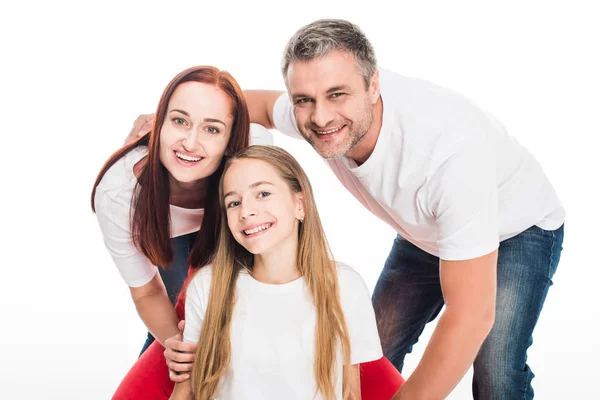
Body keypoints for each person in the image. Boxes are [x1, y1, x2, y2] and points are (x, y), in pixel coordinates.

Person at [240, 19, 565, 399]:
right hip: (428, 232)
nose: (321, 118)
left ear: (373, 86)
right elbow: (248, 104)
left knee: (496, 373)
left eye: (337, 95)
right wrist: (166, 122)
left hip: (515, 230)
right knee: (368, 349)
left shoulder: (448, 155)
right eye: (304, 100)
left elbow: (470, 316)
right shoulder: (316, 110)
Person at [170, 145, 389, 399]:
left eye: (262, 193)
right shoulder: (208, 286)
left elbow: (351, 393)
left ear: (300, 204)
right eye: (234, 202)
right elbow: (184, 392)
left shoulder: (344, 286)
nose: (246, 211)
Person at [92, 65, 262, 360]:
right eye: (179, 121)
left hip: (223, 223)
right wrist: (180, 350)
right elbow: (146, 293)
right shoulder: (119, 193)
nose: (190, 142)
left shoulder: (253, 158)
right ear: (159, 122)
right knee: (181, 319)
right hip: (160, 227)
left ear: (231, 140)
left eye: (212, 129)